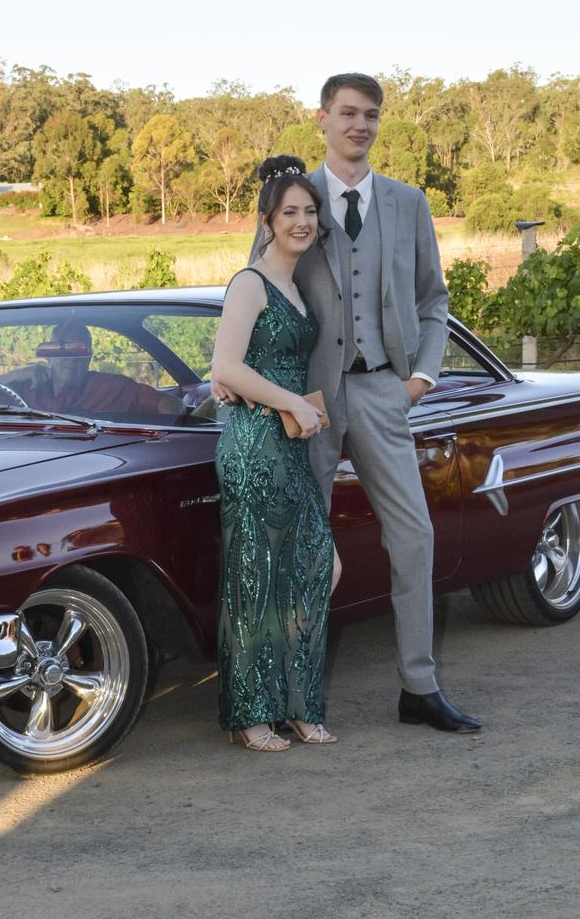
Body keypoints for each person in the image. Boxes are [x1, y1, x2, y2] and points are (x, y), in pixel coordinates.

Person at [215, 73, 481, 733]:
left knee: (414, 536)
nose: (359, 124)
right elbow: (258, 286)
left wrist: (419, 378)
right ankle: (282, 697)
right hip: (305, 401)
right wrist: (232, 373)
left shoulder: (408, 202)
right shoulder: (294, 197)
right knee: (297, 549)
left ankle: (419, 687)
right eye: (347, 113)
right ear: (323, 119)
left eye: (370, 115)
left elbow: (433, 301)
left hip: (384, 390)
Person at [212, 155, 340, 752]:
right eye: (290, 212)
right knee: (255, 580)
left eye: (310, 212)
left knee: (317, 567)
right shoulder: (250, 283)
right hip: (253, 445)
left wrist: (300, 405)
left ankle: (295, 703)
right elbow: (226, 366)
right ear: (266, 220)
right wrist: (296, 401)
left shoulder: (296, 282)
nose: (302, 222)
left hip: (286, 442)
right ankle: (252, 714)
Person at [0, 320, 181, 415]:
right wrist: (13, 375)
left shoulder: (112, 388)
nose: (70, 359)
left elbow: (171, 406)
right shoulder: (19, 387)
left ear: (88, 356)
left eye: (79, 350)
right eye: (62, 351)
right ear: (48, 355)